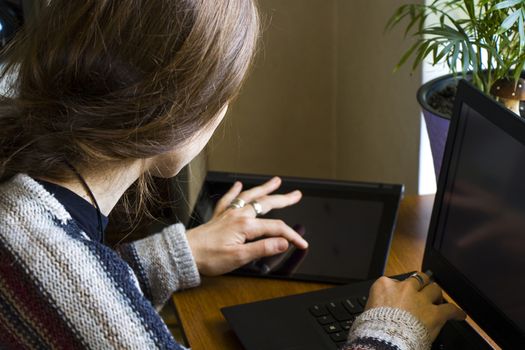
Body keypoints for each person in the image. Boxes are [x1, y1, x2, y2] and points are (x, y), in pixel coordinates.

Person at [0, 1, 465, 349]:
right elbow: (84, 304)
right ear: (180, 112)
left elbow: (55, 294)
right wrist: (391, 330)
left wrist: (177, 253)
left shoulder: (22, 211)